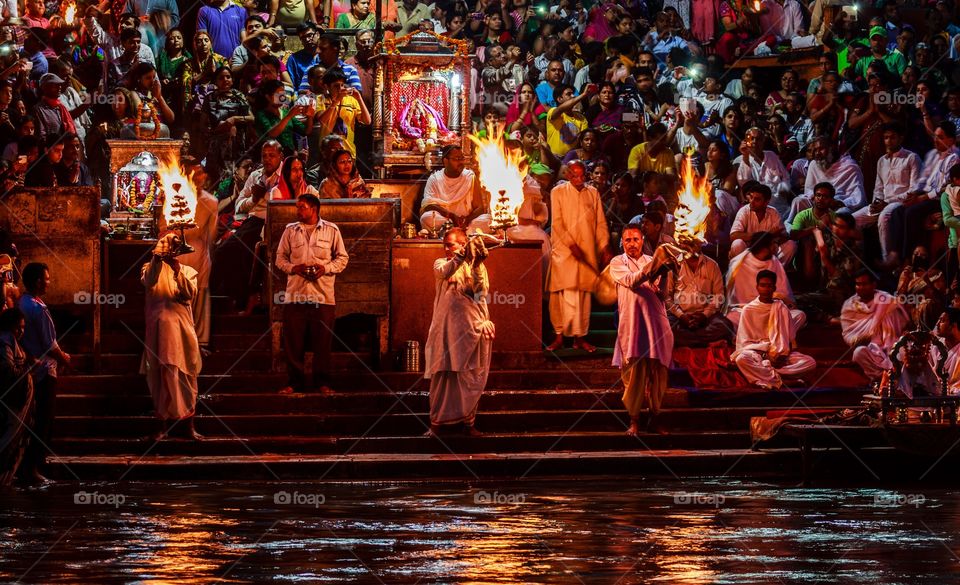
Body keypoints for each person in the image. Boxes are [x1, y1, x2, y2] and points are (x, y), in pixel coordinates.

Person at [274, 193, 349, 395]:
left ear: (313, 209)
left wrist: (325, 268)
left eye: (301, 207)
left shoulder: (332, 230)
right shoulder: (290, 231)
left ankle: (322, 382)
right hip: (295, 295)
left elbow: (342, 258)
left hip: (323, 295)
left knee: (322, 342)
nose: (298, 210)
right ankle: (294, 383)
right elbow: (279, 259)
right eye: (298, 207)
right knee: (293, 342)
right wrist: (293, 268)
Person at [423, 228, 496, 436]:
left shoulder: (474, 267)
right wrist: (462, 256)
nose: (446, 249)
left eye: (451, 245)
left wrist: (477, 264)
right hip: (445, 332)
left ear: (463, 244)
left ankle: (469, 424)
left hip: (470, 331)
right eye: (445, 245)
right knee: (442, 377)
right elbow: (444, 272)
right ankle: (435, 425)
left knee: (470, 377)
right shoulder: (441, 263)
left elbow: (480, 294)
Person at [610, 225, 677, 435]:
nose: (632, 244)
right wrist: (656, 265)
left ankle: (654, 418)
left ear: (642, 241)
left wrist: (664, 273)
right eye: (627, 240)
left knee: (657, 375)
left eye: (636, 239)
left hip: (656, 323)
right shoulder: (617, 262)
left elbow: (663, 294)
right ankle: (634, 420)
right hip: (632, 325)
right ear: (622, 242)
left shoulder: (651, 260)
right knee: (633, 375)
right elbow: (632, 281)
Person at [141, 233, 203, 441]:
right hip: (159, 331)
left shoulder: (188, 271)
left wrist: (176, 268)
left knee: (186, 378)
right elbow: (149, 280)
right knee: (160, 378)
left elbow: (188, 294)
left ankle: (188, 426)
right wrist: (158, 257)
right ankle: (161, 426)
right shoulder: (149, 268)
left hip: (182, 332)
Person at [547, 160, 612, 352]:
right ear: (567, 175)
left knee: (583, 296)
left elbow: (600, 223)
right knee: (560, 295)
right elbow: (557, 223)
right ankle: (559, 337)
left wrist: (604, 246)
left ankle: (580, 338)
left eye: (582, 175)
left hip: (587, 251)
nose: (579, 179)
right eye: (574, 175)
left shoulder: (593, 193)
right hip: (563, 252)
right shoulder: (557, 192)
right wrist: (570, 244)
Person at [211, 140, 284, 312]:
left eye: (272, 155)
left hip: (277, 222)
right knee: (224, 250)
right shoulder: (255, 176)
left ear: (280, 157)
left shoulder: (286, 175)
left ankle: (245, 299)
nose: (267, 159)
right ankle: (222, 299)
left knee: (247, 251)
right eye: (264, 156)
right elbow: (238, 205)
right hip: (254, 221)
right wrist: (253, 199)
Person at [17, 263, 70, 485]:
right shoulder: (38, 309)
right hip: (45, 370)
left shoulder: (23, 303)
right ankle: (32, 468)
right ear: (38, 281)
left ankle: (31, 465)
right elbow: (50, 344)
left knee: (36, 419)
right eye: (47, 278)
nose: (49, 282)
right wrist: (65, 358)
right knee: (43, 421)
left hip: (31, 368)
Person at [732, 270, 816, 389]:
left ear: (774, 288)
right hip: (757, 353)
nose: (766, 289)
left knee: (810, 363)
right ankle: (781, 381)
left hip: (780, 355)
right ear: (757, 287)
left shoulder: (781, 308)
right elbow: (744, 343)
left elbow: (790, 339)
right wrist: (766, 355)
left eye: (769, 286)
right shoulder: (748, 309)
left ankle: (768, 375)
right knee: (741, 359)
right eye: (763, 285)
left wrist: (782, 354)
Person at [853, 123, 922, 264]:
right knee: (853, 219)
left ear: (900, 138)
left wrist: (887, 204)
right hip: (883, 203)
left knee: (884, 217)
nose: (889, 141)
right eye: (885, 138)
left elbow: (914, 190)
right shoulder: (881, 161)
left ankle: (888, 262)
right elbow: (878, 188)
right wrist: (876, 203)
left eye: (892, 138)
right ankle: (859, 261)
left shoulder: (912, 158)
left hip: (900, 203)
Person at [841, 270, 909, 382]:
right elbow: (848, 335)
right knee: (858, 353)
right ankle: (881, 379)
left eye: (864, 284)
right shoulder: (849, 305)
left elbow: (902, 324)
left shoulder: (886, 300)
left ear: (873, 284)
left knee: (902, 351)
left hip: (891, 345)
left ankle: (896, 379)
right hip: (870, 349)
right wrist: (864, 337)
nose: (861, 287)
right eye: (858, 284)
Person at [178, 165, 219, 352]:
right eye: (192, 173)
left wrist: (210, 257)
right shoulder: (176, 198)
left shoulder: (211, 202)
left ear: (205, 177)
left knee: (200, 296)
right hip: (178, 251)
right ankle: (180, 340)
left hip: (200, 252)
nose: (196, 177)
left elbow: (211, 234)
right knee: (179, 297)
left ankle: (199, 342)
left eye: (200, 173)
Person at [666, 244, 733, 347]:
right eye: (687, 242)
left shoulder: (712, 265)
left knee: (725, 326)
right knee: (665, 328)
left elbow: (718, 296)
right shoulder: (673, 264)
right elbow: (667, 297)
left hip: (706, 317)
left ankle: (689, 341)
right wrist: (681, 315)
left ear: (700, 243)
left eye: (693, 242)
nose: (690, 246)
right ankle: (706, 343)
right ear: (680, 244)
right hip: (680, 317)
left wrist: (704, 315)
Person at [419, 146, 490, 233]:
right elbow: (428, 205)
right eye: (457, 159)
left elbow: (479, 207)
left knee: (489, 220)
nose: (461, 162)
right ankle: (458, 230)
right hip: (446, 220)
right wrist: (451, 216)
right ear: (445, 161)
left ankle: (452, 231)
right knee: (426, 218)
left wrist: (466, 221)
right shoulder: (435, 179)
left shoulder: (469, 177)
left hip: (467, 222)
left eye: (462, 158)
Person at [0, 307, 33, 487]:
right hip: (10, 403)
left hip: (15, 402)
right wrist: (27, 371)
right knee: (8, 439)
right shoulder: (5, 340)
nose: (21, 331)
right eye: (18, 327)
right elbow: (7, 371)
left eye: (23, 327)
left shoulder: (12, 342)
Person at [729, 181, 795, 264]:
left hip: (768, 253)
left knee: (791, 245)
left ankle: (774, 272)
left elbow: (784, 236)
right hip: (748, 255)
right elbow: (733, 236)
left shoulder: (773, 212)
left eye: (757, 199)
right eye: (751, 197)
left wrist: (775, 240)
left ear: (766, 202)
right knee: (737, 244)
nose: (752, 202)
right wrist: (767, 234)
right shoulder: (744, 211)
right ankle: (744, 272)